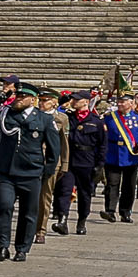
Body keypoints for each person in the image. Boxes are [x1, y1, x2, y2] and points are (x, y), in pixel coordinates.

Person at [0, 83, 59, 261]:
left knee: (28, 213)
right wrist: (0, 98)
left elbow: (53, 149)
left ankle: (22, 248)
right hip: (7, 172)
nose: (18, 99)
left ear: (32, 100)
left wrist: (47, 173)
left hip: (31, 172)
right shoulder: (6, 114)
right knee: (4, 206)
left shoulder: (44, 119)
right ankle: (2, 246)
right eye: (17, 96)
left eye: (22, 97)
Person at [56, 90, 107, 233]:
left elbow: (102, 145)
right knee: (64, 191)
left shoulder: (96, 121)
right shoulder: (68, 118)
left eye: (77, 99)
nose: (73, 102)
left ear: (86, 101)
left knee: (85, 194)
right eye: (73, 99)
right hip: (69, 159)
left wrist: (99, 165)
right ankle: (62, 220)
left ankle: (82, 221)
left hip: (87, 161)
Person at [101, 93, 138, 220]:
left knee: (129, 186)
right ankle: (110, 211)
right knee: (112, 184)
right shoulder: (109, 118)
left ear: (131, 104)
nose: (120, 104)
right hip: (112, 154)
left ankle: (125, 212)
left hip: (131, 156)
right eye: (119, 101)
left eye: (123, 102)